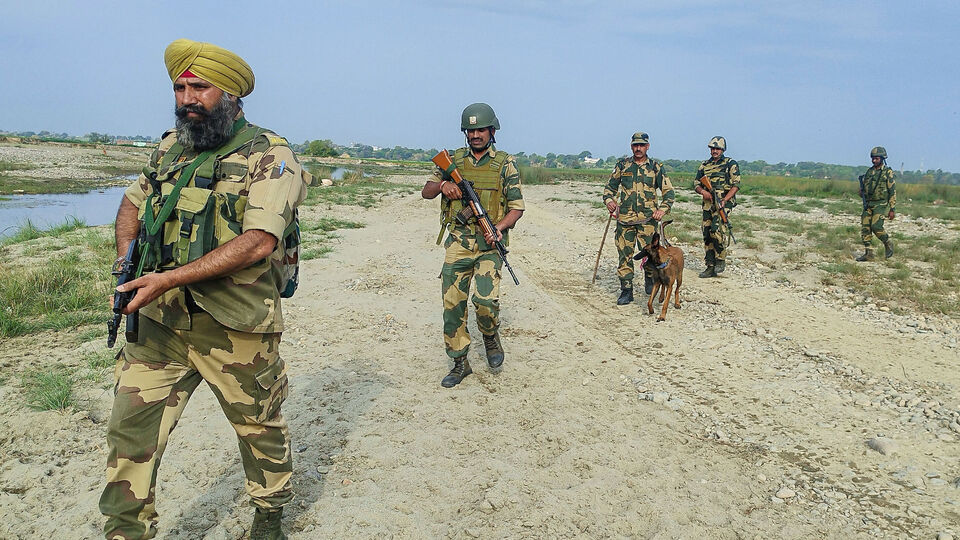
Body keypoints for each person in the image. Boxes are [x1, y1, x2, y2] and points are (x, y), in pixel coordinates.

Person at [100, 39, 310, 540]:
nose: (187, 98)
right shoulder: (169, 148)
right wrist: (127, 262)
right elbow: (131, 205)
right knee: (129, 433)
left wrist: (167, 278)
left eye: (201, 88)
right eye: (180, 88)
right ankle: (126, 530)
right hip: (159, 322)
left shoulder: (270, 155)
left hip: (235, 326)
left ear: (232, 95)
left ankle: (269, 514)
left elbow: (259, 241)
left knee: (258, 427)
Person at [421, 103, 524, 388]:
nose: (475, 135)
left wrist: (498, 229)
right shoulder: (452, 161)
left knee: (486, 302)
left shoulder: (505, 163)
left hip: (489, 246)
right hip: (458, 243)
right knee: (453, 305)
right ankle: (459, 363)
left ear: (492, 131)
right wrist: (443, 186)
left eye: (481, 130)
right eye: (470, 130)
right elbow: (426, 191)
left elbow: (516, 208)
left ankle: (490, 337)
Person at [602, 132, 675, 304]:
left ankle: (650, 280)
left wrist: (662, 209)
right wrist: (609, 201)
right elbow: (609, 188)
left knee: (651, 255)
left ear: (647, 146)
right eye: (635, 145)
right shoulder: (623, 165)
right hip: (625, 221)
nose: (638, 148)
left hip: (647, 221)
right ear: (631, 146)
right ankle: (626, 290)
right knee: (624, 255)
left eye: (642, 145)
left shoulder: (655, 167)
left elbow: (669, 192)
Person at [694, 136, 741, 278]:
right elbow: (696, 183)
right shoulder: (704, 165)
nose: (715, 151)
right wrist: (703, 192)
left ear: (723, 150)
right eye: (713, 148)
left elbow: (736, 185)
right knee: (707, 233)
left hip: (723, 203)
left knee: (717, 230)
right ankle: (710, 265)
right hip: (708, 204)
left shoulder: (730, 163)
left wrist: (725, 200)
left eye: (718, 149)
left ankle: (720, 258)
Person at [856, 146, 896, 261]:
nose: (874, 160)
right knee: (865, 227)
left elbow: (892, 191)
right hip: (868, 203)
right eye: (873, 158)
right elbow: (865, 187)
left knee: (876, 226)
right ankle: (869, 253)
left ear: (882, 158)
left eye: (877, 158)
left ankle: (887, 242)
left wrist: (892, 209)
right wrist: (862, 192)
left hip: (881, 203)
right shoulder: (870, 172)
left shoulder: (887, 172)